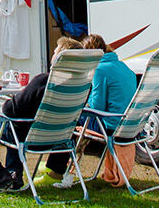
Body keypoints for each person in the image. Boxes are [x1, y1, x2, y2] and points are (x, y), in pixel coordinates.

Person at [0, 37, 81, 194]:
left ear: (60, 56)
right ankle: (14, 174)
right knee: (19, 121)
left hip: (26, 137)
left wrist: (16, 98)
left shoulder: (43, 81)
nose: (52, 54)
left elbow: (9, 110)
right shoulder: (82, 86)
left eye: (55, 51)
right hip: (57, 140)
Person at [29, 34, 136, 188]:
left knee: (67, 120)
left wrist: (79, 103)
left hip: (110, 125)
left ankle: (56, 171)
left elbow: (97, 107)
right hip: (129, 125)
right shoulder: (122, 66)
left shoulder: (99, 70)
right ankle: (54, 163)